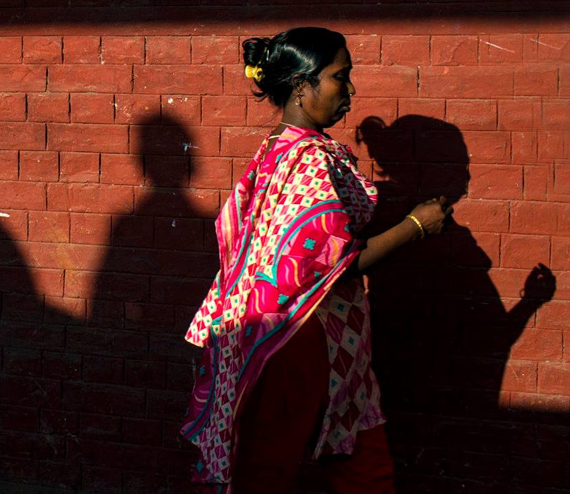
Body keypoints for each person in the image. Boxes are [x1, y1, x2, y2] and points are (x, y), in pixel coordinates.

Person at [181, 27, 451, 493]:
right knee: (288, 471)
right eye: (339, 77)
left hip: (311, 338)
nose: (349, 91)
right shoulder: (307, 160)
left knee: (350, 468)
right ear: (302, 87)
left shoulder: (278, 150)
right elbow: (338, 262)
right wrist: (416, 226)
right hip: (297, 341)